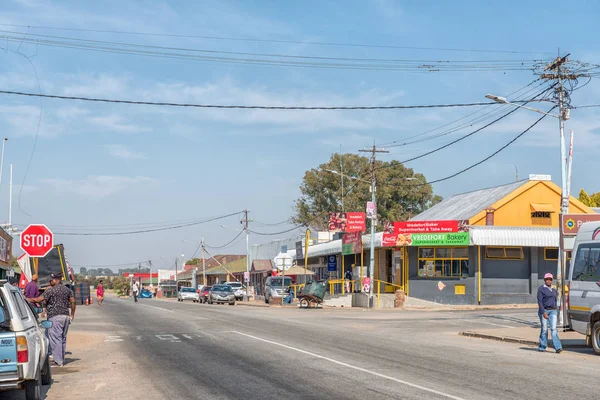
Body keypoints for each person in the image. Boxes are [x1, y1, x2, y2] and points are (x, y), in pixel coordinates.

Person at [28, 273, 76, 367]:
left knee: (55, 339)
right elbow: (73, 302)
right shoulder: (68, 290)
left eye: (50, 280)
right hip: (65, 316)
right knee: (62, 338)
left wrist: (26, 299)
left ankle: (58, 362)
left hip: (55, 317)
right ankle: (61, 359)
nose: (49, 282)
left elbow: (38, 300)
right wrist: (72, 314)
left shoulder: (51, 291)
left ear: (55, 280)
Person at [537, 273, 563, 353]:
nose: (549, 281)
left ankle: (558, 347)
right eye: (547, 279)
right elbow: (540, 301)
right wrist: (543, 312)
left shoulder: (554, 289)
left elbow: (556, 300)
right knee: (544, 329)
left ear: (552, 280)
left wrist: (556, 309)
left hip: (553, 311)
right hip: (544, 310)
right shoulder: (541, 289)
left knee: (553, 329)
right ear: (544, 280)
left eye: (550, 279)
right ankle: (542, 346)